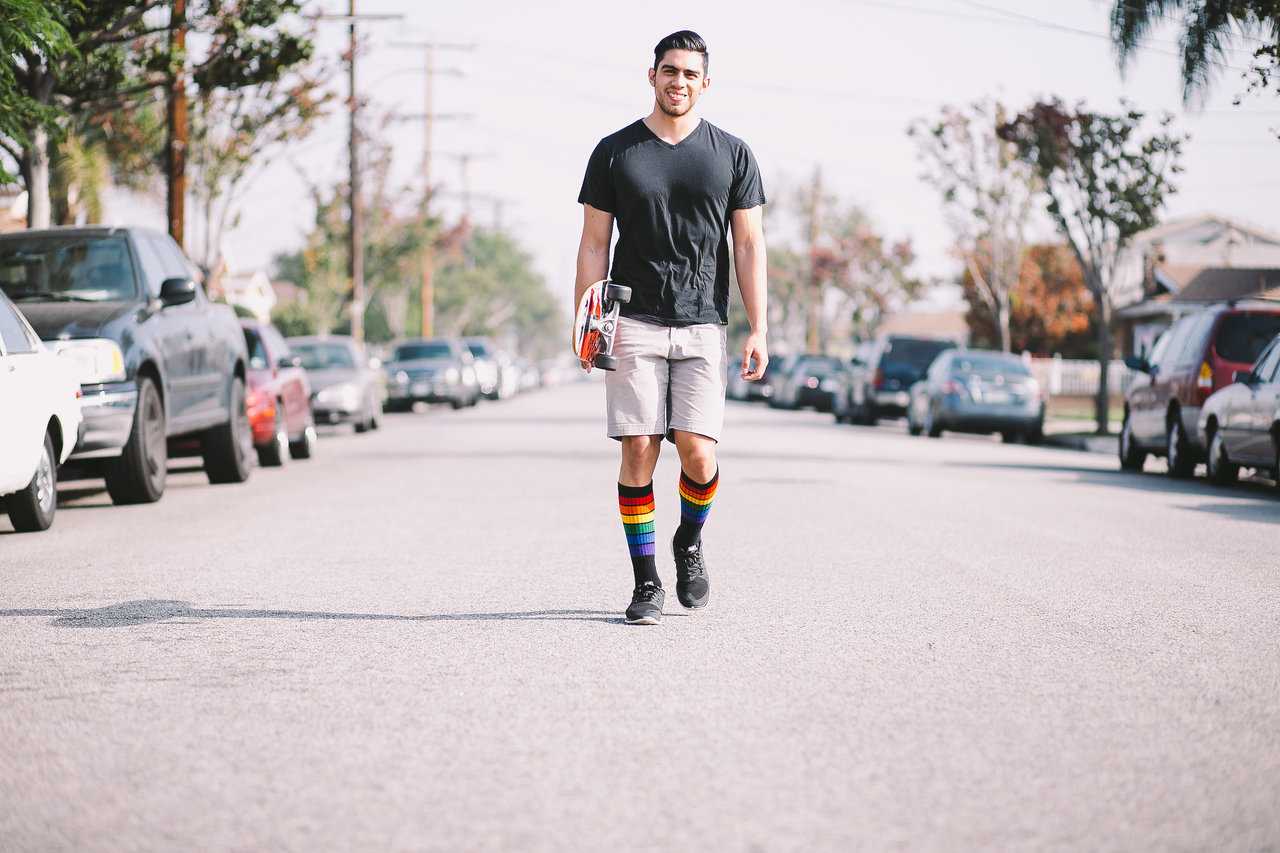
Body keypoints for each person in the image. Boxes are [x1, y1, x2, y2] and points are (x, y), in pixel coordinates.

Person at [574, 30, 769, 625]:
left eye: (689, 73)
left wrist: (759, 327)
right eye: (668, 71)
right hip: (633, 319)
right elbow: (592, 244)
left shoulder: (732, 154)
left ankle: (689, 540)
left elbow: (749, 243)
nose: (677, 81)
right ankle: (646, 581)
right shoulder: (616, 152)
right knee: (639, 449)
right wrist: (588, 319)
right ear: (651, 75)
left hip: (704, 324)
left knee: (698, 454)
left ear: (704, 82)